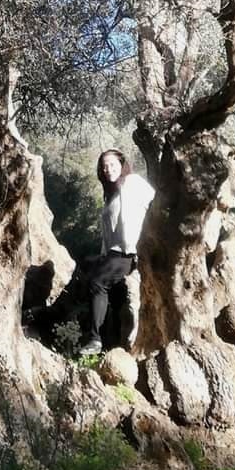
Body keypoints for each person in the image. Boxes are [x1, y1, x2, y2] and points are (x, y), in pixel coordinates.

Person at [82, 149, 155, 355]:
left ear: (122, 165)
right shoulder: (111, 193)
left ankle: (95, 340)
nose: (108, 169)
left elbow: (154, 201)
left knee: (98, 281)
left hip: (129, 252)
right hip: (113, 254)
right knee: (114, 296)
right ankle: (112, 344)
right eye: (104, 166)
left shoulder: (132, 182)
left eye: (112, 165)